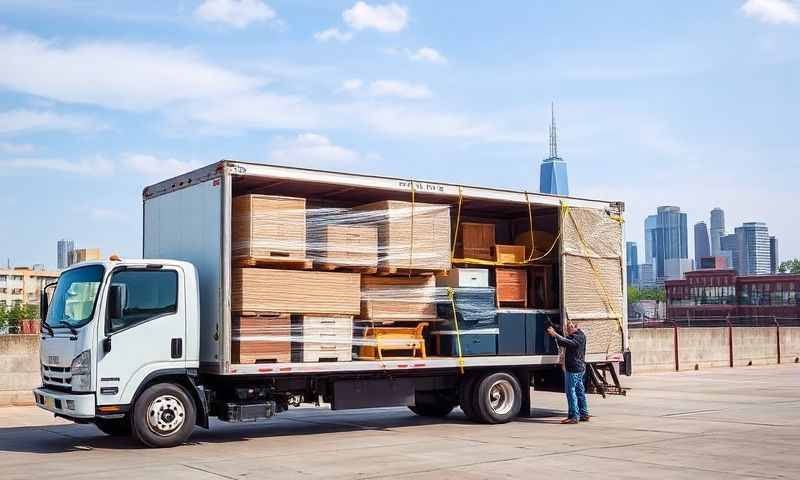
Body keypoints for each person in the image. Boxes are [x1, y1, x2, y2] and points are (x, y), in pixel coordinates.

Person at [546, 321, 589, 424]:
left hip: (574, 369)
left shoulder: (578, 338)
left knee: (571, 392)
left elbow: (566, 342)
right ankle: (584, 413)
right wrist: (555, 329)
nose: (567, 330)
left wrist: (554, 334)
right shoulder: (579, 335)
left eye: (569, 327)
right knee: (579, 391)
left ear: (576, 327)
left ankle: (574, 416)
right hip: (579, 368)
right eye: (567, 328)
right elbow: (563, 341)